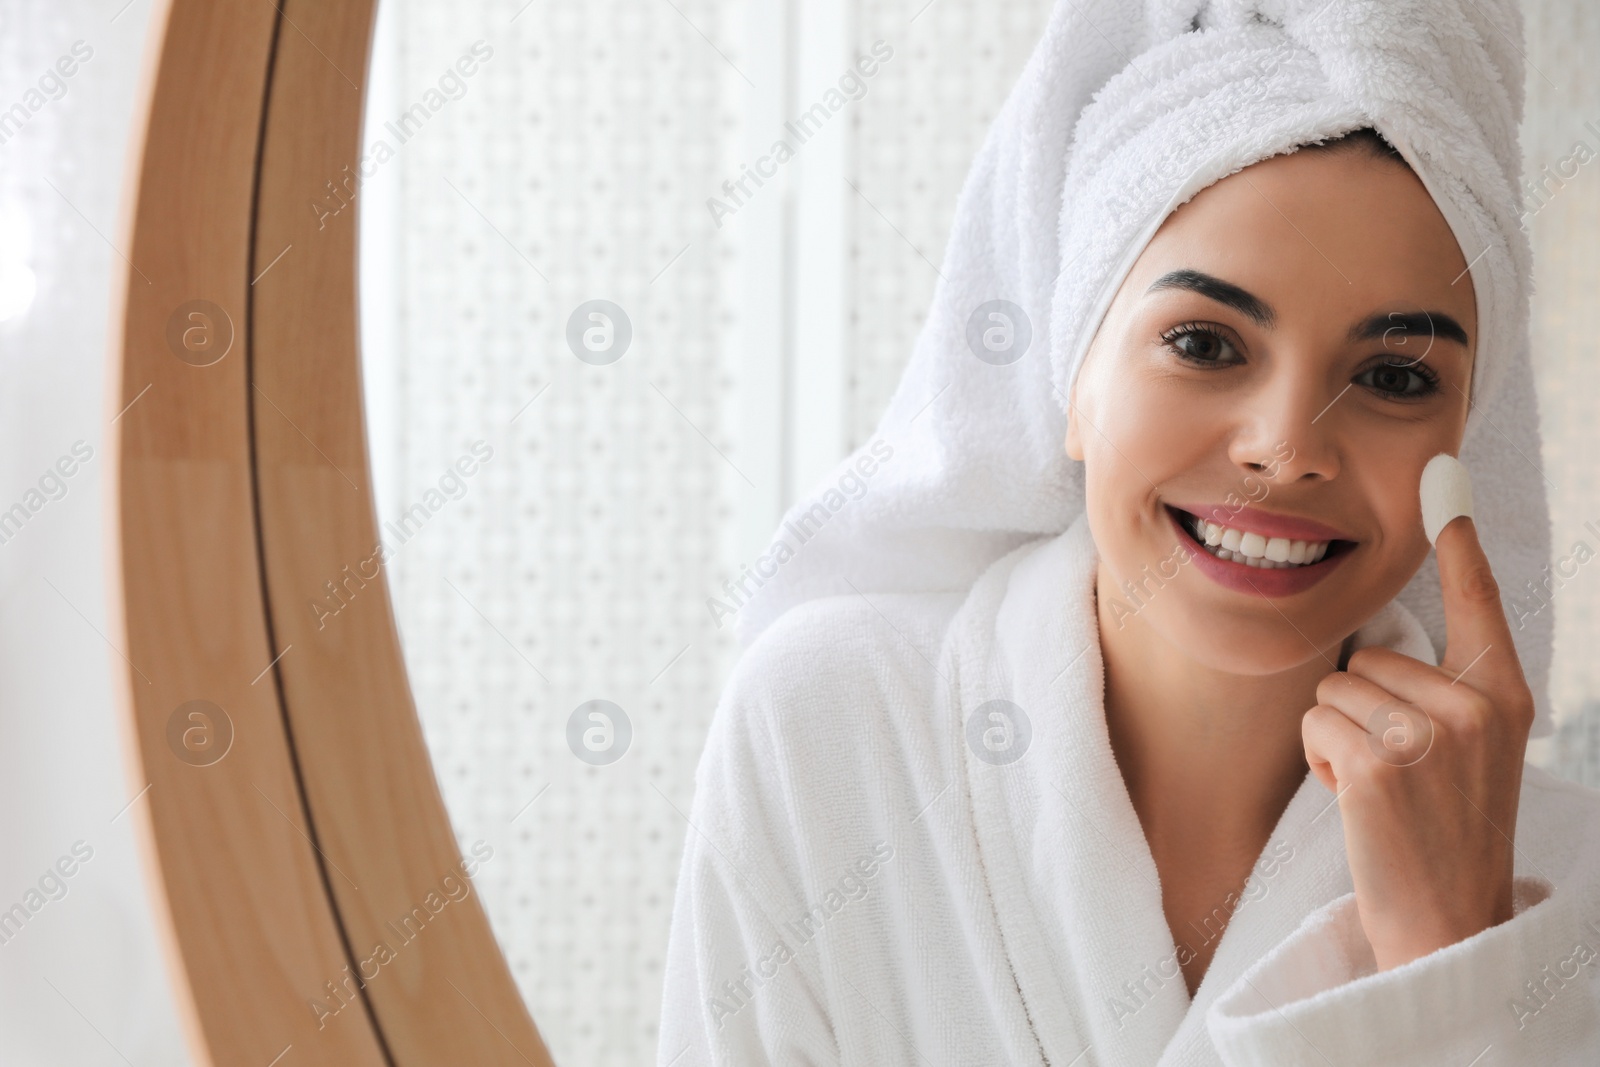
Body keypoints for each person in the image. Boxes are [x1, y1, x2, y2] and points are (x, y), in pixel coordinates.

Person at [659, 0, 1600, 1063]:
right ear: (1071, 373)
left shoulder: (1557, 873)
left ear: (1466, 432)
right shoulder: (830, 726)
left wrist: (1453, 967)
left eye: (1391, 375)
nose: (1287, 446)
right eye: (1203, 342)